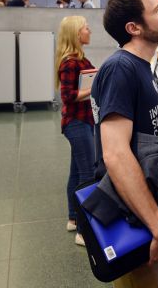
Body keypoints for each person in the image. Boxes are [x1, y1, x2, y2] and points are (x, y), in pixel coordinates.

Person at [92, 0, 158, 288]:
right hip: (137, 220)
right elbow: (115, 153)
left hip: (153, 211)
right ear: (134, 28)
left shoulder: (140, 67)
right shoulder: (120, 68)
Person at [55, 16, 95, 247]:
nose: (89, 30)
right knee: (88, 175)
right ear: (76, 34)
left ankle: (72, 218)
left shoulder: (79, 59)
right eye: (86, 28)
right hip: (76, 123)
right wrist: (93, 89)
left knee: (76, 173)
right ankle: (83, 230)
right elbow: (68, 97)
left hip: (83, 121)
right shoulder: (70, 62)